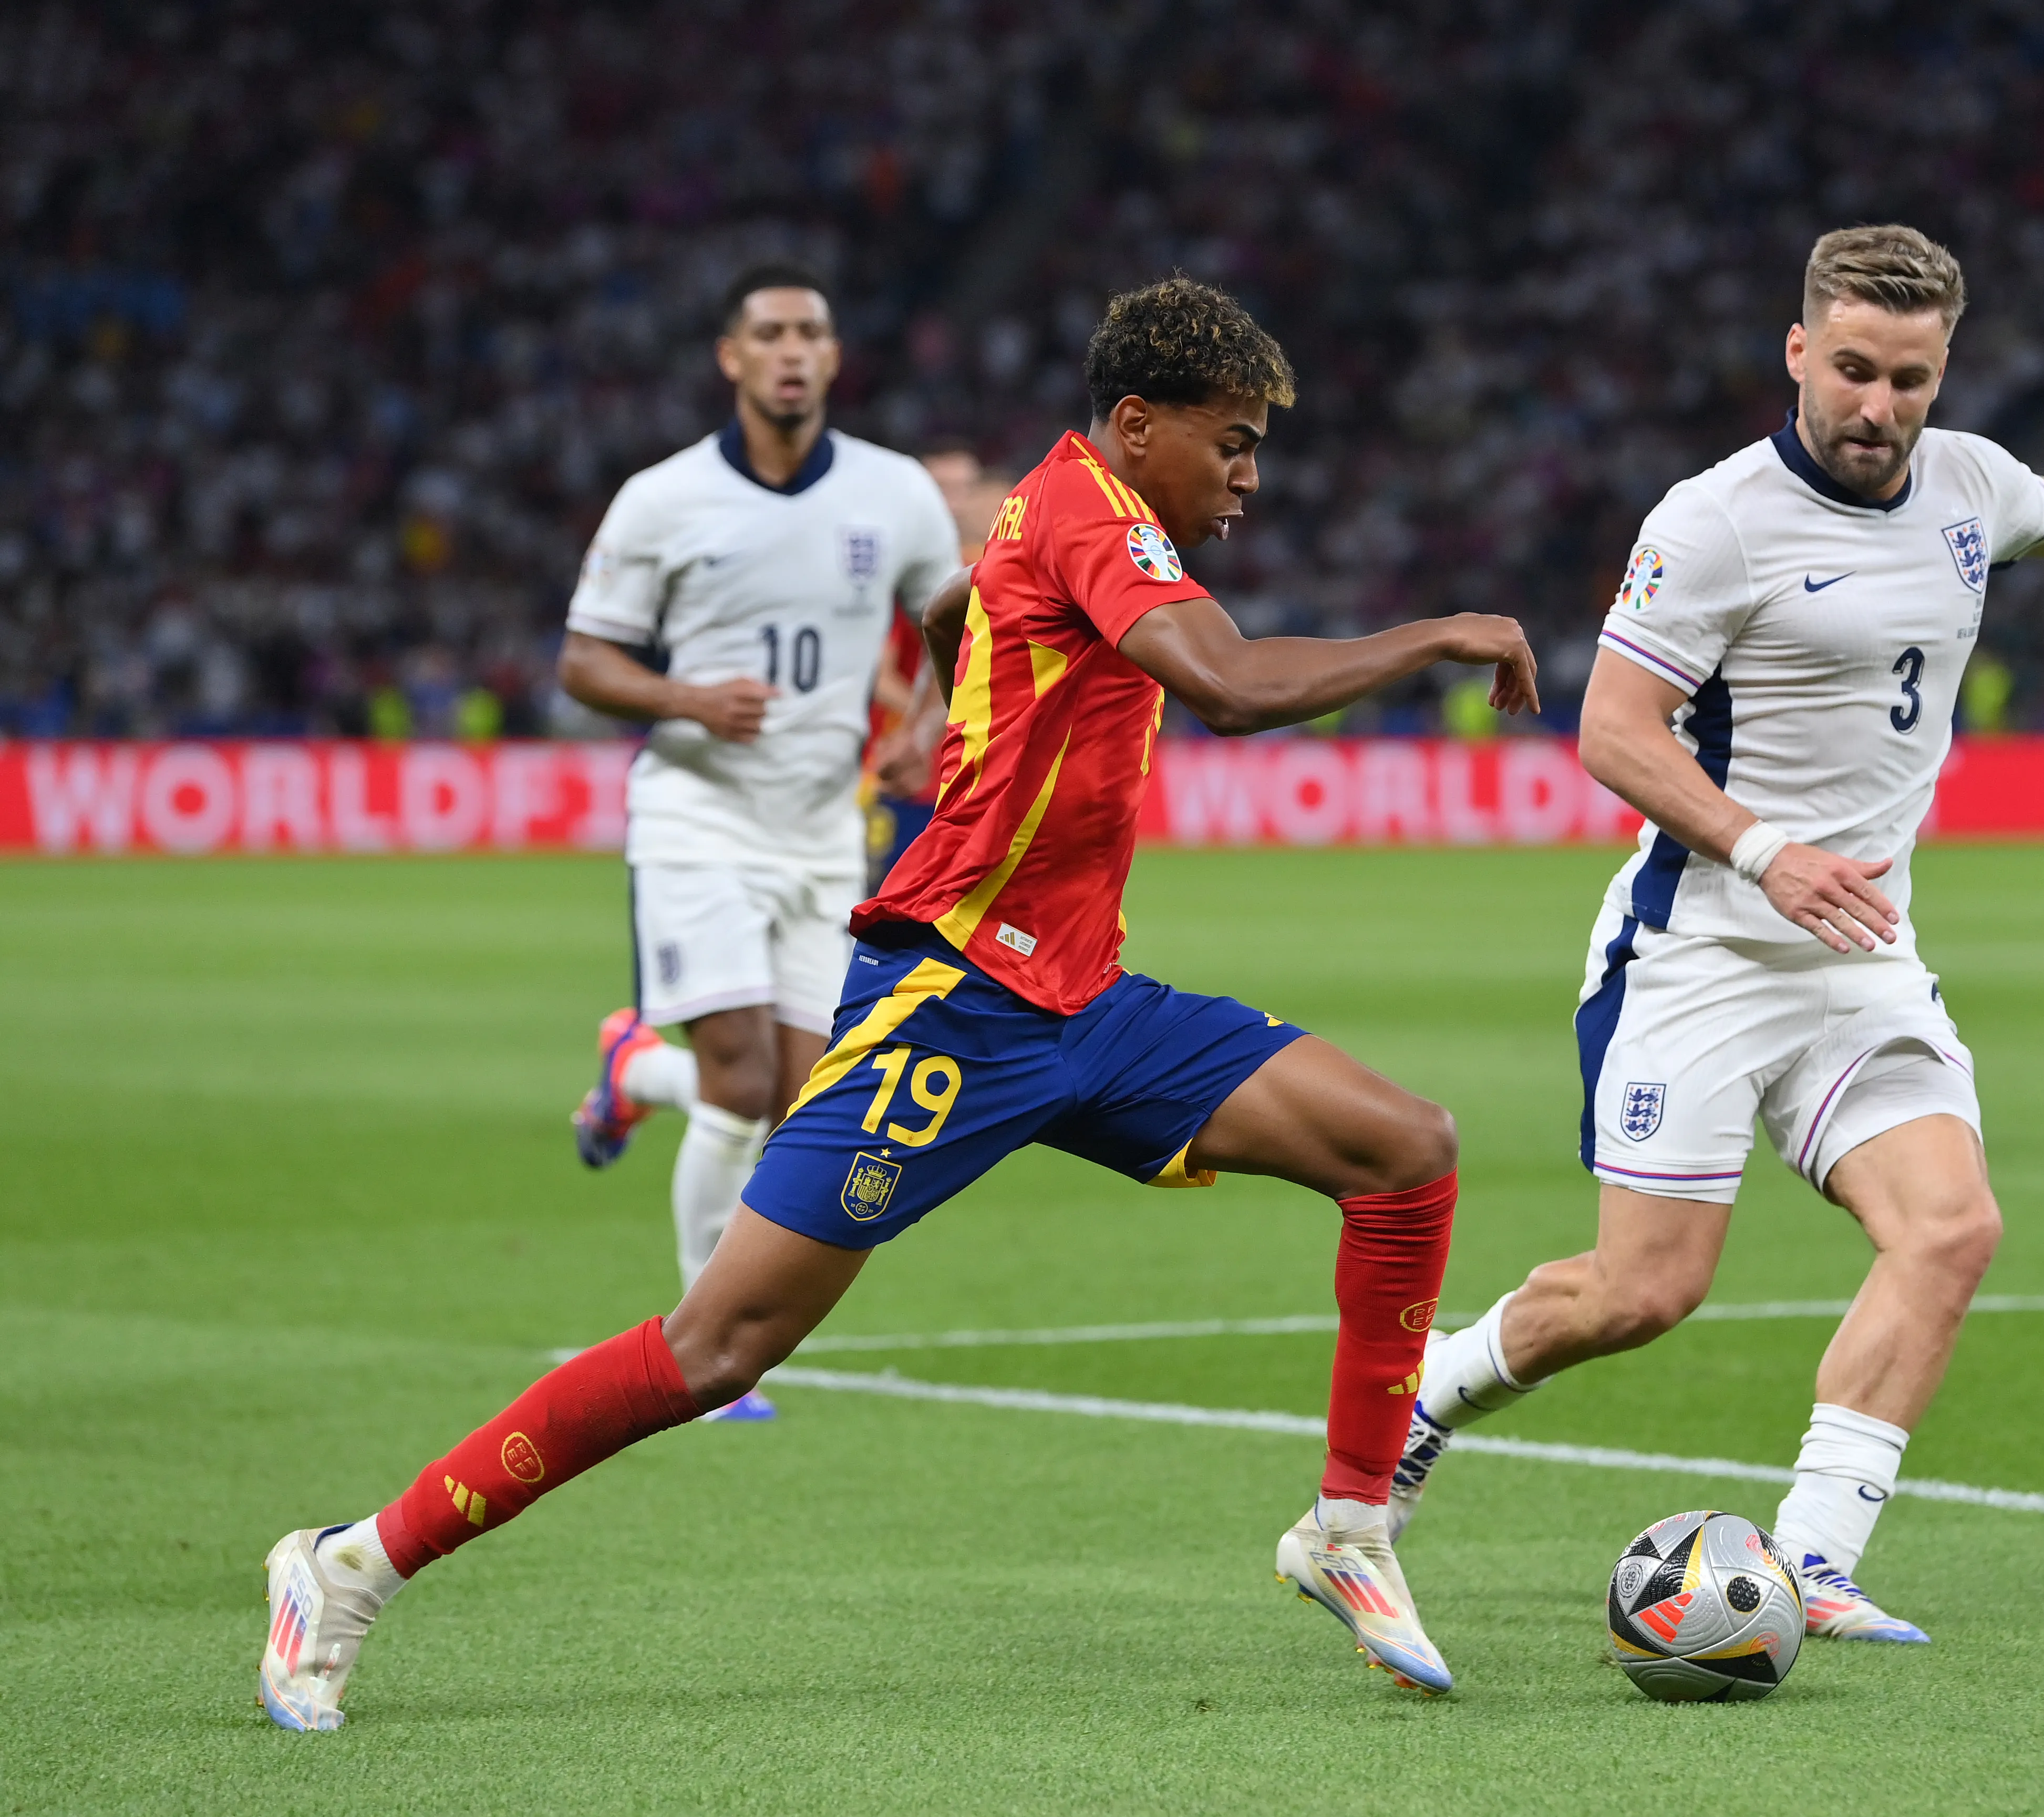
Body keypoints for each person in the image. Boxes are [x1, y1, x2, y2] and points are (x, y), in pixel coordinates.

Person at [257, 276, 1540, 1730]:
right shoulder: (1090, 513)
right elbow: (1232, 687)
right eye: (1231, 444)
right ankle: (350, 1566)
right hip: (945, 1007)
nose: (1249, 478)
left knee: (1406, 1150)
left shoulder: (1050, 510)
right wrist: (1442, 633)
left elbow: (952, 600)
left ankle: (1351, 1528)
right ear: (1139, 426)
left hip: (1084, 1004)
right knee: (716, 1350)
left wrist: (948, 706)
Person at [1387, 224, 2044, 1646]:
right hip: (1705, 954)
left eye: (1910, 380)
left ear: (1944, 373)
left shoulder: (1973, 485)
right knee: (1643, 1292)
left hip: (1861, 959)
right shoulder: (1715, 519)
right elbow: (1614, 732)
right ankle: (1428, 1394)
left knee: (1951, 1226)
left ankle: (1811, 1561)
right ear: (1798, 352)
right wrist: (1762, 849)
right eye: (1853, 370)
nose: (1878, 407)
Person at [559, 263, 962, 1422]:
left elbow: (958, 623)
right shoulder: (662, 499)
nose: (792, 351)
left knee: (802, 1103)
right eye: (770, 333)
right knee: (742, 1083)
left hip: (821, 832)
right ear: (730, 359)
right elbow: (584, 659)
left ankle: (636, 1070)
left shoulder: (892, 496)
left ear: (835, 359)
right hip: (696, 820)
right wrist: (689, 701)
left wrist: (928, 729)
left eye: (812, 333)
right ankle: (702, 1348)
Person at [861, 449, 1014, 893]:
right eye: (941, 490)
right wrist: (940, 724)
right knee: (885, 911)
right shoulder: (907, 576)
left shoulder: (999, 570)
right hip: (907, 774)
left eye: (963, 490)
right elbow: (879, 674)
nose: (955, 503)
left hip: (973, 779)